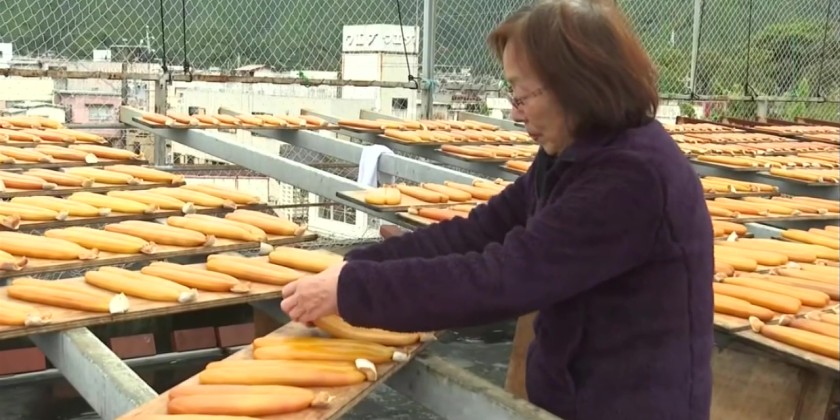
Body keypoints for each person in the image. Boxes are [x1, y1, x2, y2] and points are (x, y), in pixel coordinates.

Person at [280, 0, 714, 418]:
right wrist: (355, 267)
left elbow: (502, 277)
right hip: (577, 396)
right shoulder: (572, 152)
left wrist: (352, 291)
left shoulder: (631, 177)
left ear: (575, 86)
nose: (515, 112)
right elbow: (481, 231)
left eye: (521, 95)